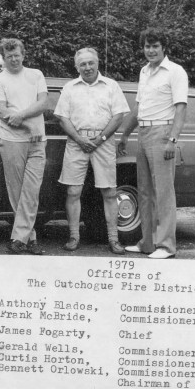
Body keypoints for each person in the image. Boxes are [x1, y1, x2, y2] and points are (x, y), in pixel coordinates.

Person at [117, 27, 188, 259]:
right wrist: (126, 134)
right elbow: (139, 106)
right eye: (147, 46)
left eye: (155, 46)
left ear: (163, 47)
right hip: (143, 132)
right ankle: (147, 243)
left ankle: (166, 246)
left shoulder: (175, 72)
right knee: (145, 191)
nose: (150, 50)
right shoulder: (144, 71)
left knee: (163, 192)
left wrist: (172, 140)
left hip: (163, 132)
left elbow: (181, 108)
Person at [54, 48, 130, 254]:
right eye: (83, 64)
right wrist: (79, 139)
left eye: (90, 63)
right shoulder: (69, 88)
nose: (87, 67)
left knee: (109, 191)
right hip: (76, 141)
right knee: (73, 191)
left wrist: (100, 139)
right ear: (76, 66)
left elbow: (118, 116)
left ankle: (114, 239)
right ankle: (73, 236)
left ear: (97, 63)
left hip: (103, 141)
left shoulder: (111, 86)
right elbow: (62, 117)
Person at [0, 38, 48, 255]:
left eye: (17, 55)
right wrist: (27, 126)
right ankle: (29, 239)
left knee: (31, 191)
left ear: (23, 55)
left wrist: (22, 116)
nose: (14, 59)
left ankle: (19, 238)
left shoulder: (36, 75)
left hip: (37, 141)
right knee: (17, 191)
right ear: (3, 58)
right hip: (11, 140)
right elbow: (1, 112)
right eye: (9, 56)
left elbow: (44, 103)